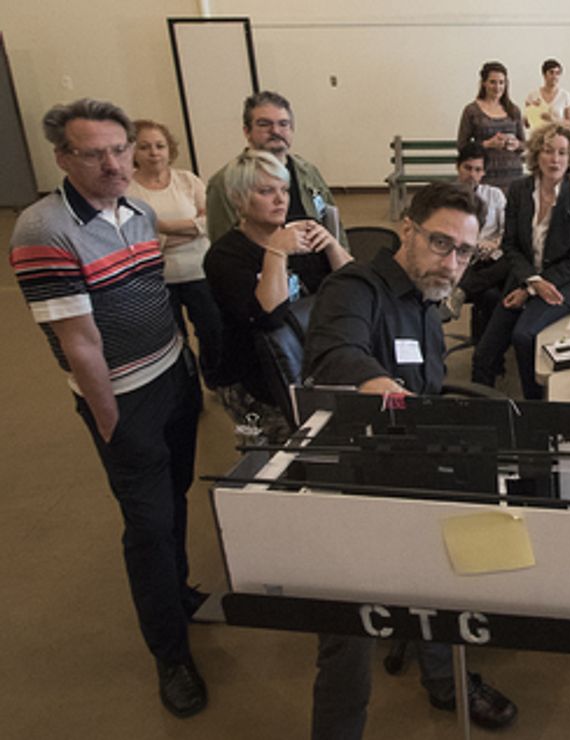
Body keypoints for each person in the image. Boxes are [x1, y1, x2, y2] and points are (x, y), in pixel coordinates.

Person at [9, 98, 206, 717]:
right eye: (94, 153)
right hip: (123, 398)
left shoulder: (138, 211)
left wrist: (184, 371)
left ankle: (176, 592)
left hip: (173, 376)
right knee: (146, 526)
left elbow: (153, 295)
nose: (114, 163)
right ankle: (170, 655)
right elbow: (79, 342)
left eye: (120, 149)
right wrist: (109, 418)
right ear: (63, 157)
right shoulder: (43, 230)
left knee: (174, 498)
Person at [302, 183, 518, 736]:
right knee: (346, 642)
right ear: (407, 229)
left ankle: (446, 681)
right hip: (351, 482)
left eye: (464, 253)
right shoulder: (355, 288)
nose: (451, 264)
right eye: (440, 244)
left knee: (456, 571)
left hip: (412, 462)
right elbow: (336, 353)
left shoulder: (427, 301)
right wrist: (382, 386)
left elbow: (430, 384)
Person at [203, 151, 352, 444]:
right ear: (238, 200)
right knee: (272, 451)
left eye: (283, 190)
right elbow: (267, 315)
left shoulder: (301, 232)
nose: (280, 199)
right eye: (265, 191)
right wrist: (276, 252)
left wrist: (332, 246)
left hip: (305, 360)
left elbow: (354, 288)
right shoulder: (224, 257)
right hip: (253, 378)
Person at [470, 123, 570, 399]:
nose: (555, 159)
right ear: (537, 155)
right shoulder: (518, 191)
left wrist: (530, 290)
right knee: (484, 353)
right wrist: (531, 283)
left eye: (562, 153)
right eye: (548, 151)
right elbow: (511, 246)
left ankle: (533, 409)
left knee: (524, 336)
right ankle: (479, 415)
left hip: (566, 282)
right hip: (527, 278)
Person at [126, 119, 222, 382]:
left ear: (170, 149)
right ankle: (187, 387)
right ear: (132, 151)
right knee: (173, 339)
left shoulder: (187, 180)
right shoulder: (126, 190)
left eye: (160, 146)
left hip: (199, 270)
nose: (154, 153)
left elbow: (210, 221)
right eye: (145, 147)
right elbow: (135, 238)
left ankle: (214, 380)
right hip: (157, 277)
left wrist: (163, 227)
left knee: (212, 330)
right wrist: (191, 230)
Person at [205, 91, 344, 246]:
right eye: (264, 124)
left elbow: (333, 225)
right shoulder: (224, 182)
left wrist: (345, 264)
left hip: (315, 263)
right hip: (260, 266)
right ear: (247, 131)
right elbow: (223, 247)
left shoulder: (307, 171)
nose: (276, 131)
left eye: (283, 124)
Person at [456, 141, 511, 341]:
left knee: (511, 261)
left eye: (478, 170)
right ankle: (487, 352)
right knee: (491, 296)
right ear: (458, 167)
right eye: (467, 168)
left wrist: (495, 244)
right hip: (464, 259)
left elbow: (508, 230)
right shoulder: (447, 197)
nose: (472, 174)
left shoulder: (494, 195)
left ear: (483, 173)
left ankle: (463, 290)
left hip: (491, 257)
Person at [456, 61, 527, 189]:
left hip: (513, 175)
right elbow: (462, 146)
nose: (497, 87)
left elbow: (524, 144)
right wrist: (487, 144)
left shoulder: (513, 110)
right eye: (493, 82)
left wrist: (516, 144)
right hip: (485, 176)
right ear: (484, 83)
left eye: (501, 82)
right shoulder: (472, 110)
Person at [522, 58, 570, 132]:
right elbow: (527, 124)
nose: (554, 76)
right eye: (551, 72)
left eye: (557, 73)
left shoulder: (565, 96)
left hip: (558, 137)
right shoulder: (532, 96)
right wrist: (532, 112)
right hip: (537, 137)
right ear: (544, 74)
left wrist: (553, 119)